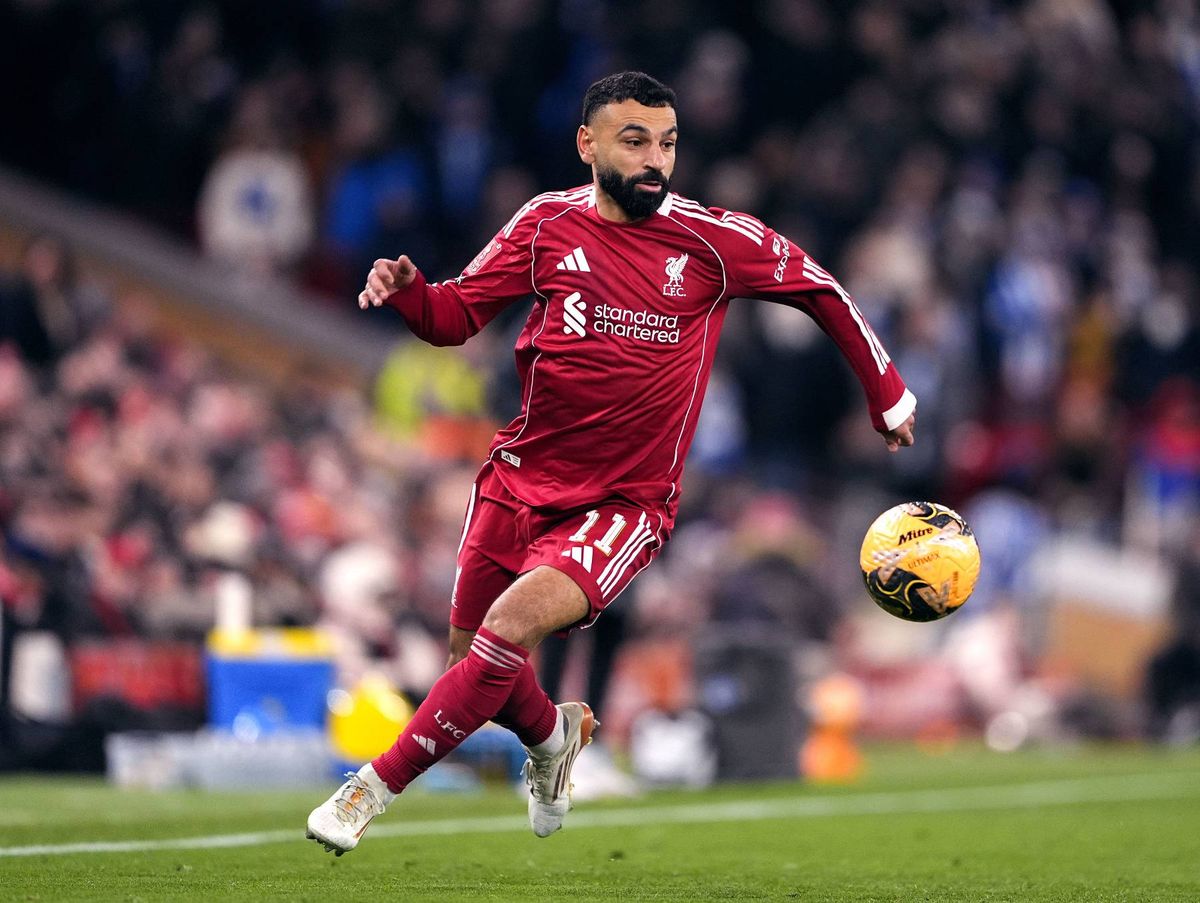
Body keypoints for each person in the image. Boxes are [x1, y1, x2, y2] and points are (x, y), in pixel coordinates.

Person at [305, 71, 916, 854]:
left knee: (502, 634)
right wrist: (409, 289)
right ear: (587, 144)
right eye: (635, 141)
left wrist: (887, 393)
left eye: (667, 143)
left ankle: (367, 790)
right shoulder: (544, 225)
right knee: (475, 673)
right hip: (515, 479)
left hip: (623, 503)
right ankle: (554, 739)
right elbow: (456, 316)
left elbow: (818, 286)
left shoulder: (710, 242)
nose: (655, 160)